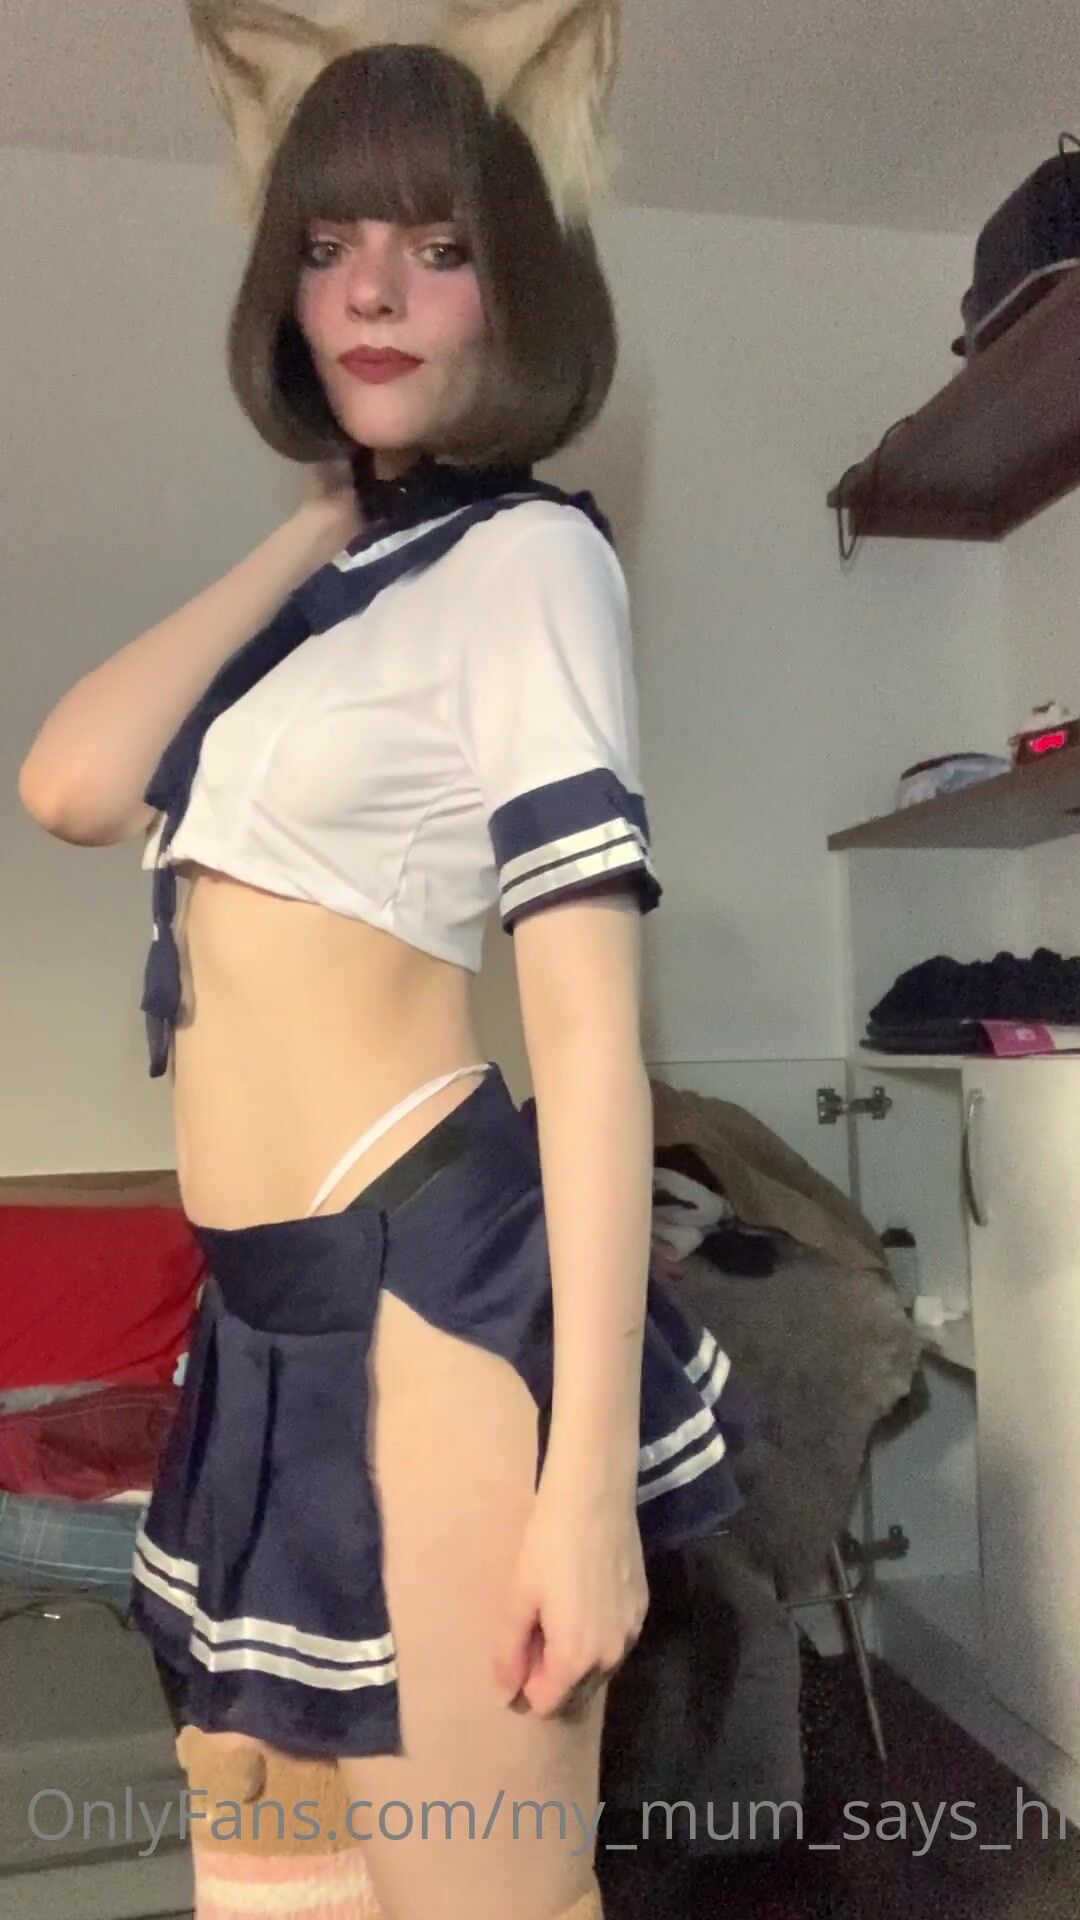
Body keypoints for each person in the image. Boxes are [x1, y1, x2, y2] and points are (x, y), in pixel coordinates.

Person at [18, 5, 750, 1916]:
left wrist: (584, 1492)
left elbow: (587, 1043)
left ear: (519, 290)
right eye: (330, 243)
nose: (373, 290)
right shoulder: (339, 598)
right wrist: (309, 528)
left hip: (424, 1299)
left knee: (490, 1894)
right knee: (277, 1891)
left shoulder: (532, 563)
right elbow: (70, 781)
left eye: (438, 247)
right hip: (257, 1325)